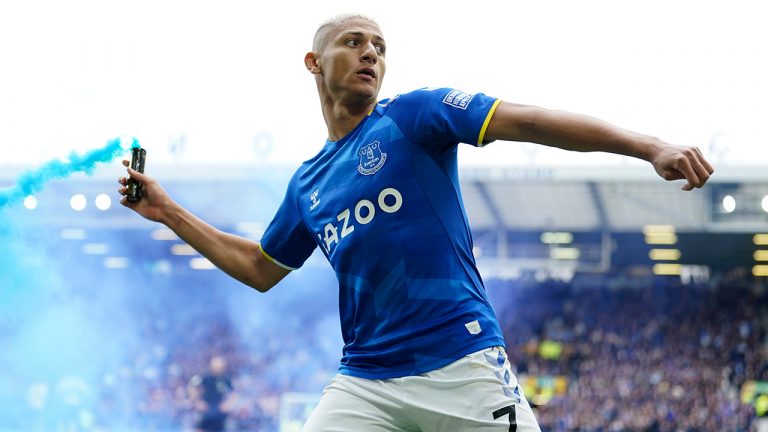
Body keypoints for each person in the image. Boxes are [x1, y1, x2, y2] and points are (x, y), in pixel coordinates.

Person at [119, 14, 714, 431]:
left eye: (379, 46)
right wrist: (165, 210)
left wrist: (650, 146)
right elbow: (258, 267)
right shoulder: (308, 185)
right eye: (354, 42)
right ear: (313, 62)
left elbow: (529, 121)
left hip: (462, 362)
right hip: (366, 383)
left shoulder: (414, 115)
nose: (371, 53)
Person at [187, 356, 234, 432]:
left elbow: (233, 393)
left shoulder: (226, 379)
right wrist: (197, 402)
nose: (218, 369)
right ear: (211, 366)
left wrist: (228, 404)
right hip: (206, 410)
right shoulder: (204, 378)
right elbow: (191, 387)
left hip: (219, 411)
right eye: (216, 367)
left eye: (220, 367)